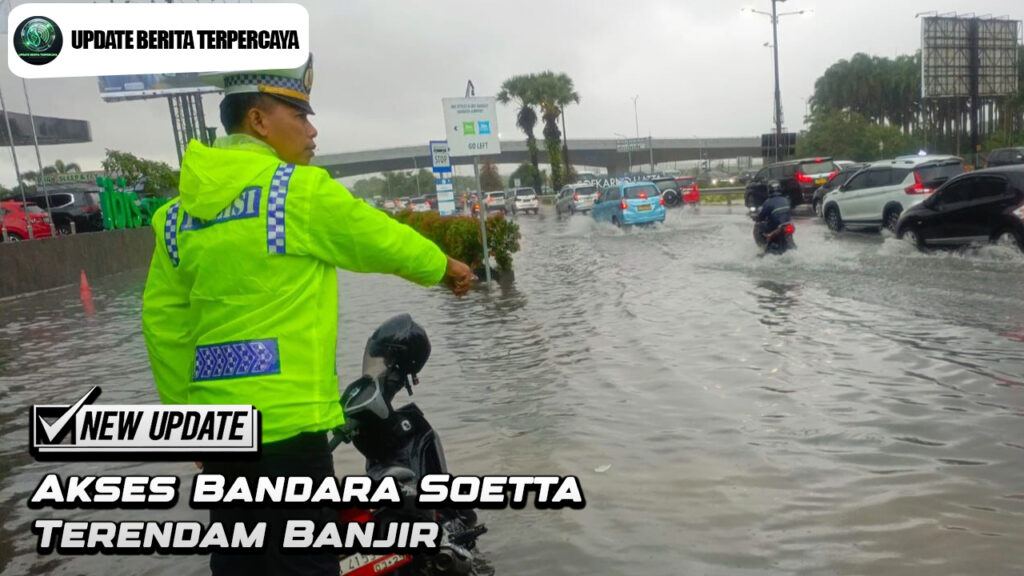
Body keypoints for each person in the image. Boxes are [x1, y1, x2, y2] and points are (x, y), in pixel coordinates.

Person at [141, 54, 476, 576]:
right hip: (287, 427)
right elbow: (376, 239)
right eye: (298, 115)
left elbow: (164, 330)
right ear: (258, 120)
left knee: (241, 565)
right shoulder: (293, 192)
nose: (311, 129)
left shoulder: (175, 218)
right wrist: (445, 267)